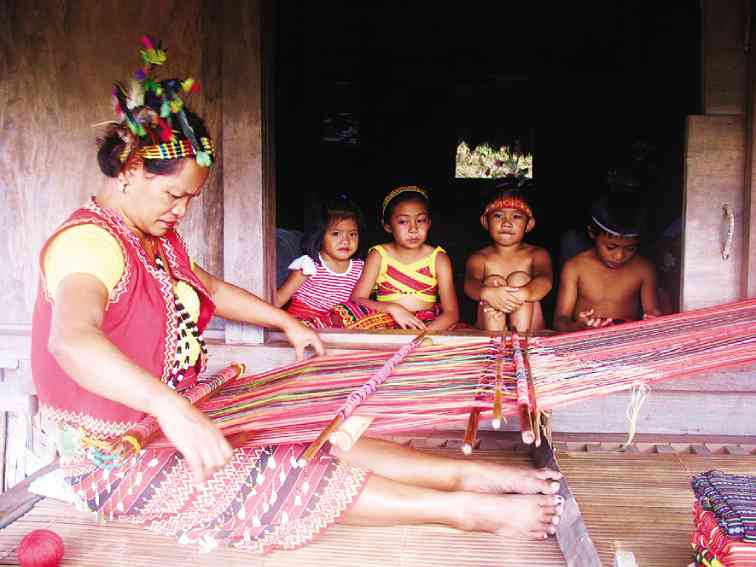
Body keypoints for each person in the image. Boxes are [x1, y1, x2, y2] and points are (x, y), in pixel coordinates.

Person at [31, 38, 563, 554]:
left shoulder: (154, 238)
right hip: (116, 455)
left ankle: (467, 474)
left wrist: (284, 322)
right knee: (276, 466)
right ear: (130, 171)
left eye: (190, 199)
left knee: (311, 424)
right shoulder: (89, 243)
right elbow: (72, 342)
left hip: (175, 418)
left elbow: (209, 287)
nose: (181, 211)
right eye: (174, 195)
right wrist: (171, 409)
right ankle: (462, 510)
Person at [350, 186, 460, 330]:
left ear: (429, 223)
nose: (413, 229)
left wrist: (424, 334)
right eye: (403, 222)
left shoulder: (438, 258)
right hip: (384, 319)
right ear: (388, 226)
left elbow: (452, 313)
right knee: (346, 312)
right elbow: (358, 299)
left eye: (420, 220)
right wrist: (393, 308)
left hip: (427, 324)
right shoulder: (378, 255)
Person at [553, 192, 662, 331]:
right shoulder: (575, 267)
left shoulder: (644, 269)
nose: (619, 256)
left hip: (625, 340)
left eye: (630, 248)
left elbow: (652, 314)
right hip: (584, 339)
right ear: (592, 233)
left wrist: (654, 320)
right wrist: (577, 327)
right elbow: (560, 320)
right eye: (611, 247)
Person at [464, 184, 553, 332]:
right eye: (498, 216)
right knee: (493, 283)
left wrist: (522, 293)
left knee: (519, 279)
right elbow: (470, 284)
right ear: (485, 222)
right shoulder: (479, 258)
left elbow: (545, 281)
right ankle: (496, 342)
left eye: (516, 216)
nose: (506, 223)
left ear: (529, 224)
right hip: (489, 325)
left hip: (531, 330)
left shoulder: (537, 254)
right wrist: (489, 293)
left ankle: (521, 342)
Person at [274, 195, 364, 327]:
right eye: (336, 234)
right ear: (320, 236)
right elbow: (279, 299)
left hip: (336, 325)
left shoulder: (359, 268)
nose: (345, 241)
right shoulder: (308, 265)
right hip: (303, 322)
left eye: (352, 234)